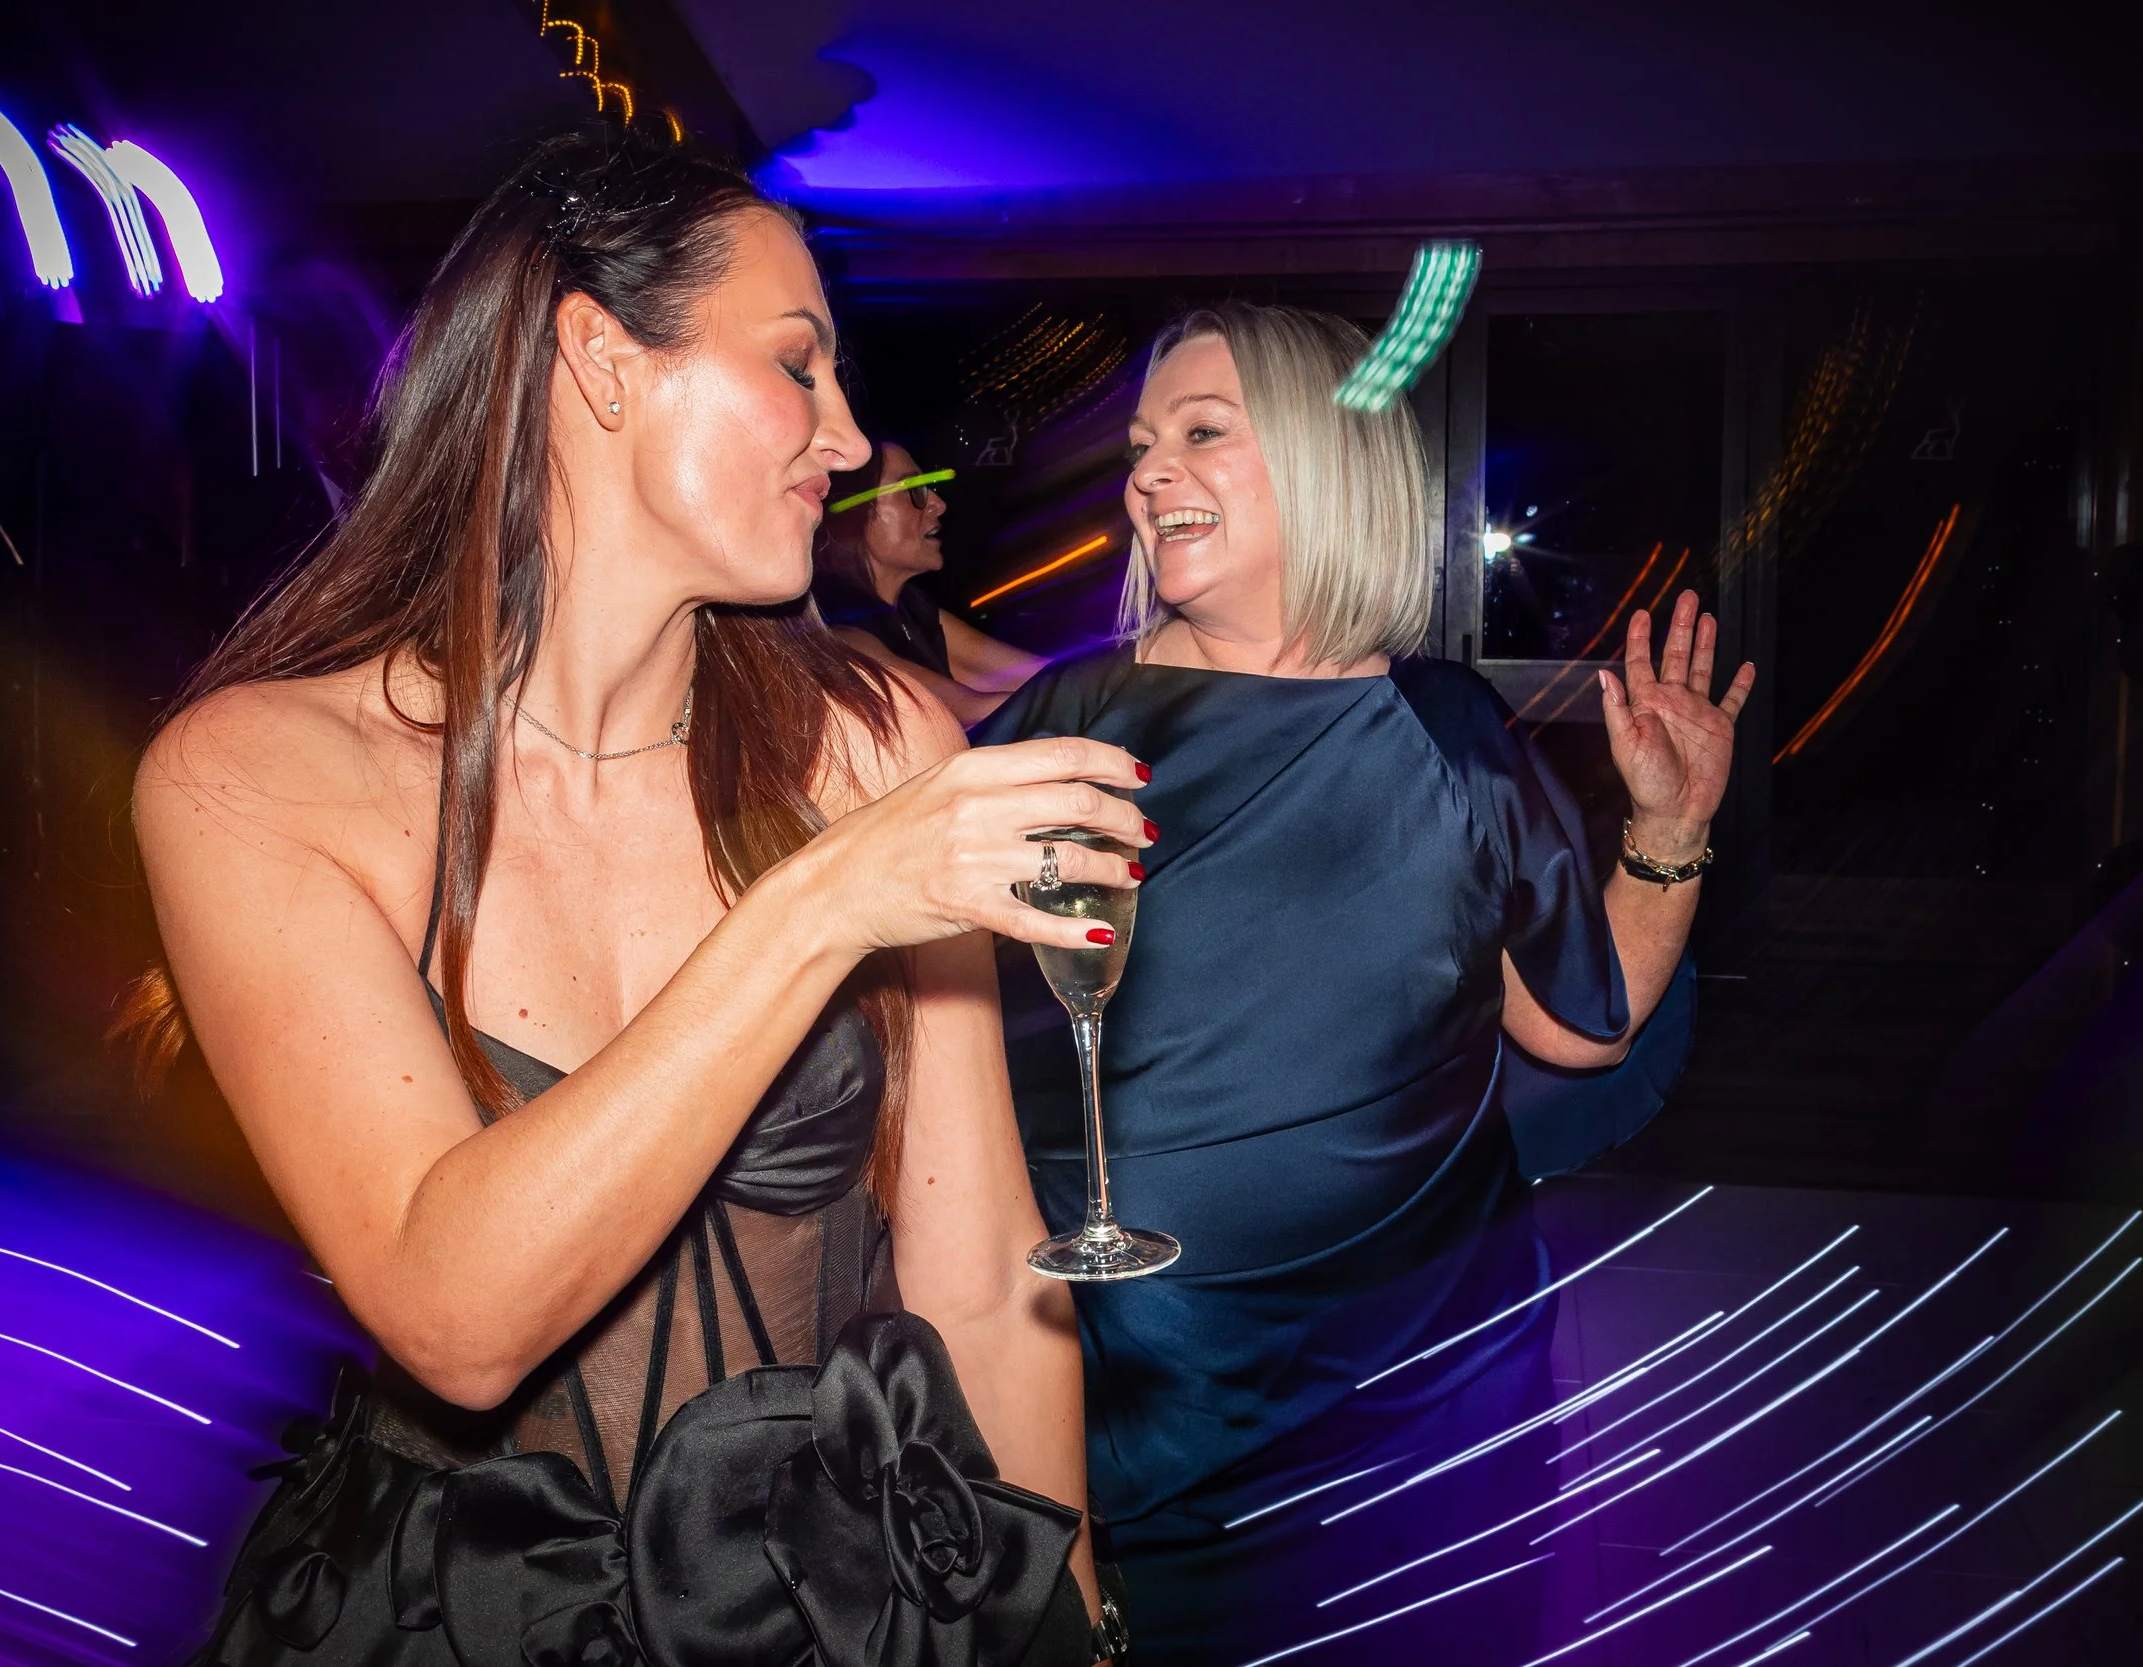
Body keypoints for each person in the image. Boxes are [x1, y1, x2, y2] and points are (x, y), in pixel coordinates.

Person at [128, 131, 1149, 1666]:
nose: (855, 439)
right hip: (449, 1612)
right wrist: (817, 905)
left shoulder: (873, 743)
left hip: (843, 1604)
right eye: (800, 366)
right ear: (599, 359)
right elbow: (455, 1319)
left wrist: (1074, 1624)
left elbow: (985, 1269)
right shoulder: (247, 777)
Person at [974, 302, 1752, 1664]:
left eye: (1204, 433)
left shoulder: (1446, 731)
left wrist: (1672, 828)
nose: (1149, 473)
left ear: (1332, 463)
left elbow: (1578, 1023)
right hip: (1127, 1412)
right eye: (1145, 444)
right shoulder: (1056, 726)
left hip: (1418, 1406)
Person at [813, 440, 1047, 724]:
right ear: (854, 512)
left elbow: (1037, 676)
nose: (938, 504)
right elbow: (972, 712)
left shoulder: (915, 611)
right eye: (914, 490)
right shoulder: (838, 636)